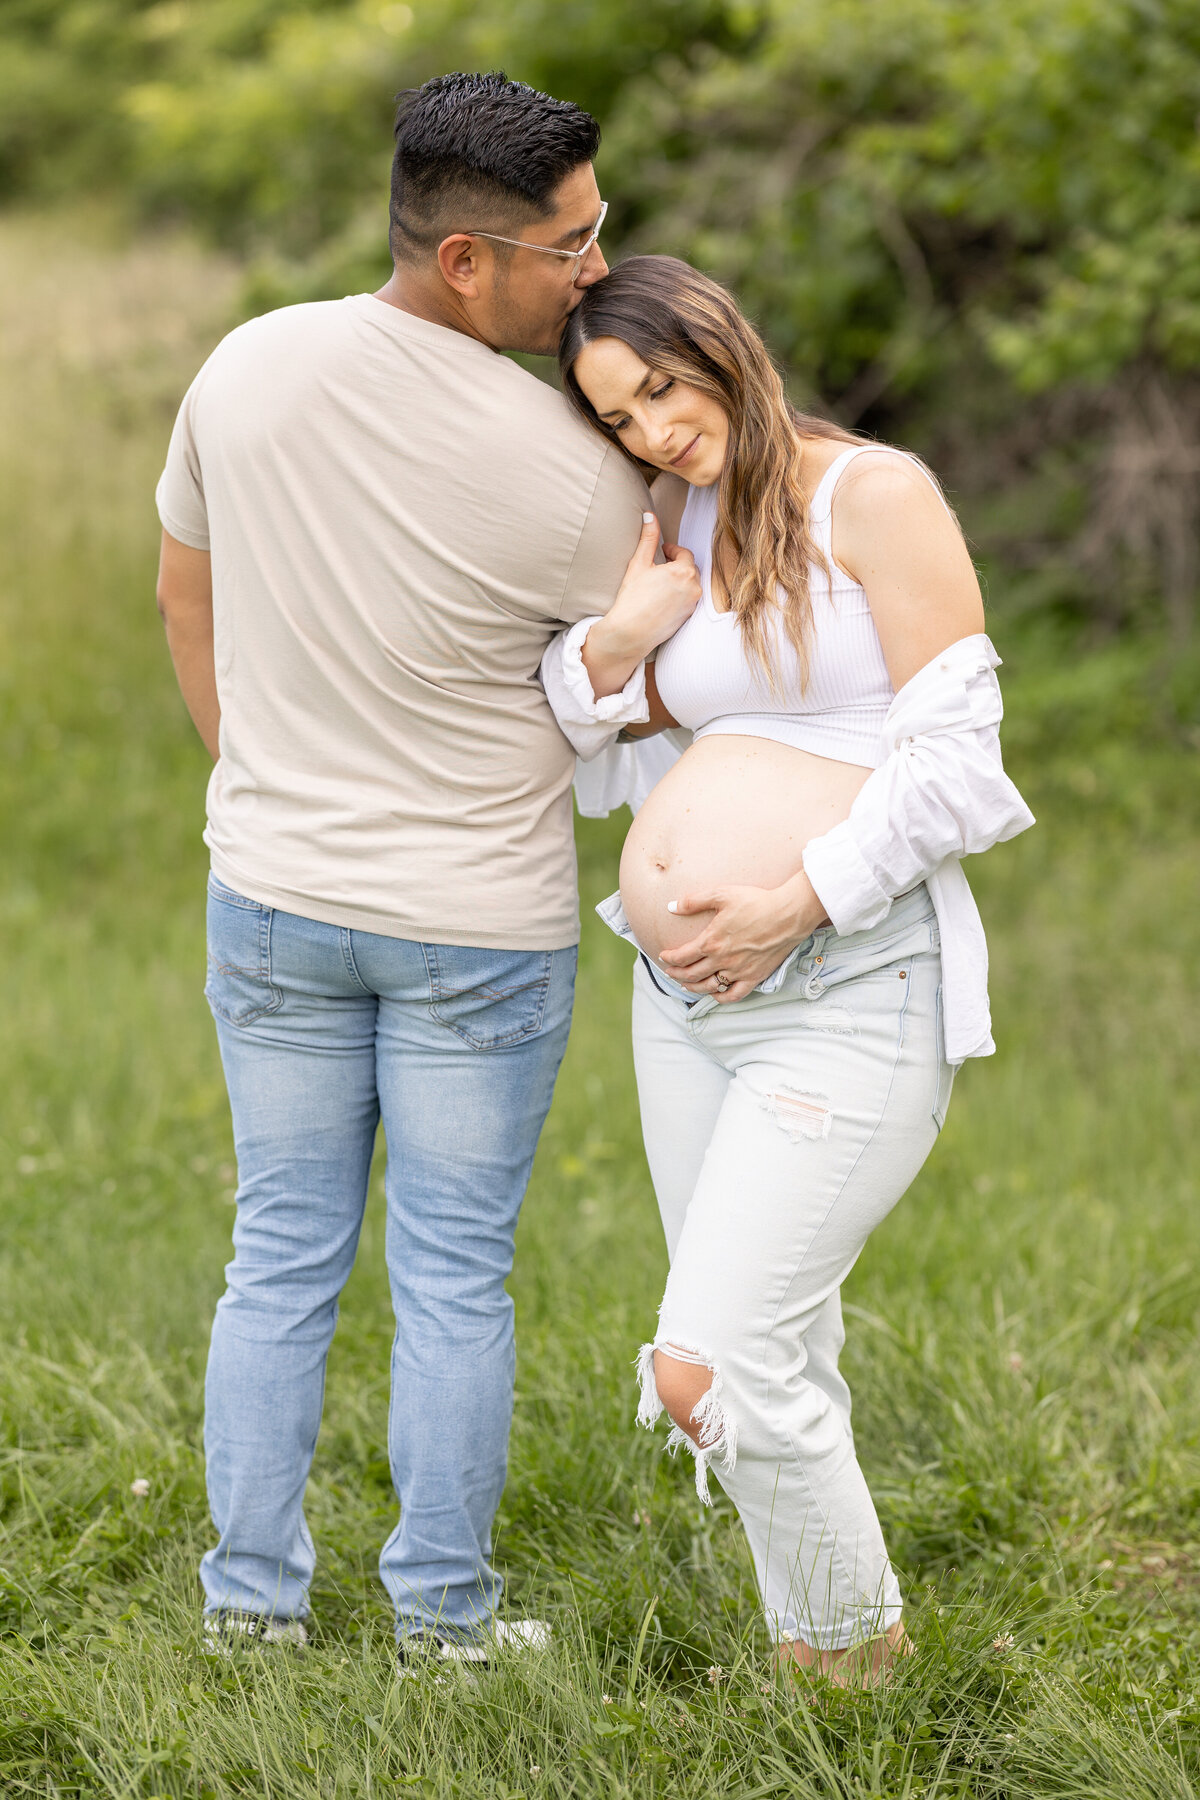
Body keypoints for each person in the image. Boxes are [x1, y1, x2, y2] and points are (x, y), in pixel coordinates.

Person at [153, 75, 701, 1661]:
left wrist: (258, 778)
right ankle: (443, 1627)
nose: (598, 266)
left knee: (280, 1258)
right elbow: (640, 685)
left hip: (273, 894)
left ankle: (250, 1612)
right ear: (469, 260)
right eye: (573, 241)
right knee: (456, 1279)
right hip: (478, 928)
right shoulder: (581, 475)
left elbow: (186, 600)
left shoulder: (245, 366)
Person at [540, 255, 1034, 1683]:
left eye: (660, 390)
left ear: (719, 343)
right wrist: (618, 646)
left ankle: (850, 1660)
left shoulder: (875, 496)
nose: (651, 431)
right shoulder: (668, 529)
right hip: (684, 1005)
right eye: (618, 418)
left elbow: (959, 769)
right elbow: (584, 758)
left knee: (711, 1365)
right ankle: (830, 1659)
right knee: (773, 1349)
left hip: (851, 986)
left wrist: (792, 905)